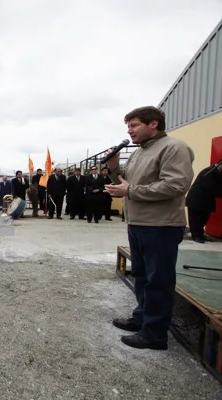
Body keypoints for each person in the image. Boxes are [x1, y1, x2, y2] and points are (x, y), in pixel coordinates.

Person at [105, 106, 194, 350]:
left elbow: (176, 185)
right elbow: (123, 183)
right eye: (128, 126)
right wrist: (114, 168)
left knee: (159, 281)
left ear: (153, 124)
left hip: (161, 225)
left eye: (134, 125)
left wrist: (130, 191)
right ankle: (142, 318)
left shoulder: (174, 148)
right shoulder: (138, 153)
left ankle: (155, 335)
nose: (129, 130)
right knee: (142, 276)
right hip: (139, 223)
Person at [185, 161, 222, 243]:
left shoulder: (217, 172)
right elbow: (213, 188)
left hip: (206, 201)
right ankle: (196, 236)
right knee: (196, 219)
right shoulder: (210, 172)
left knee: (204, 218)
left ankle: (200, 234)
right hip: (196, 199)